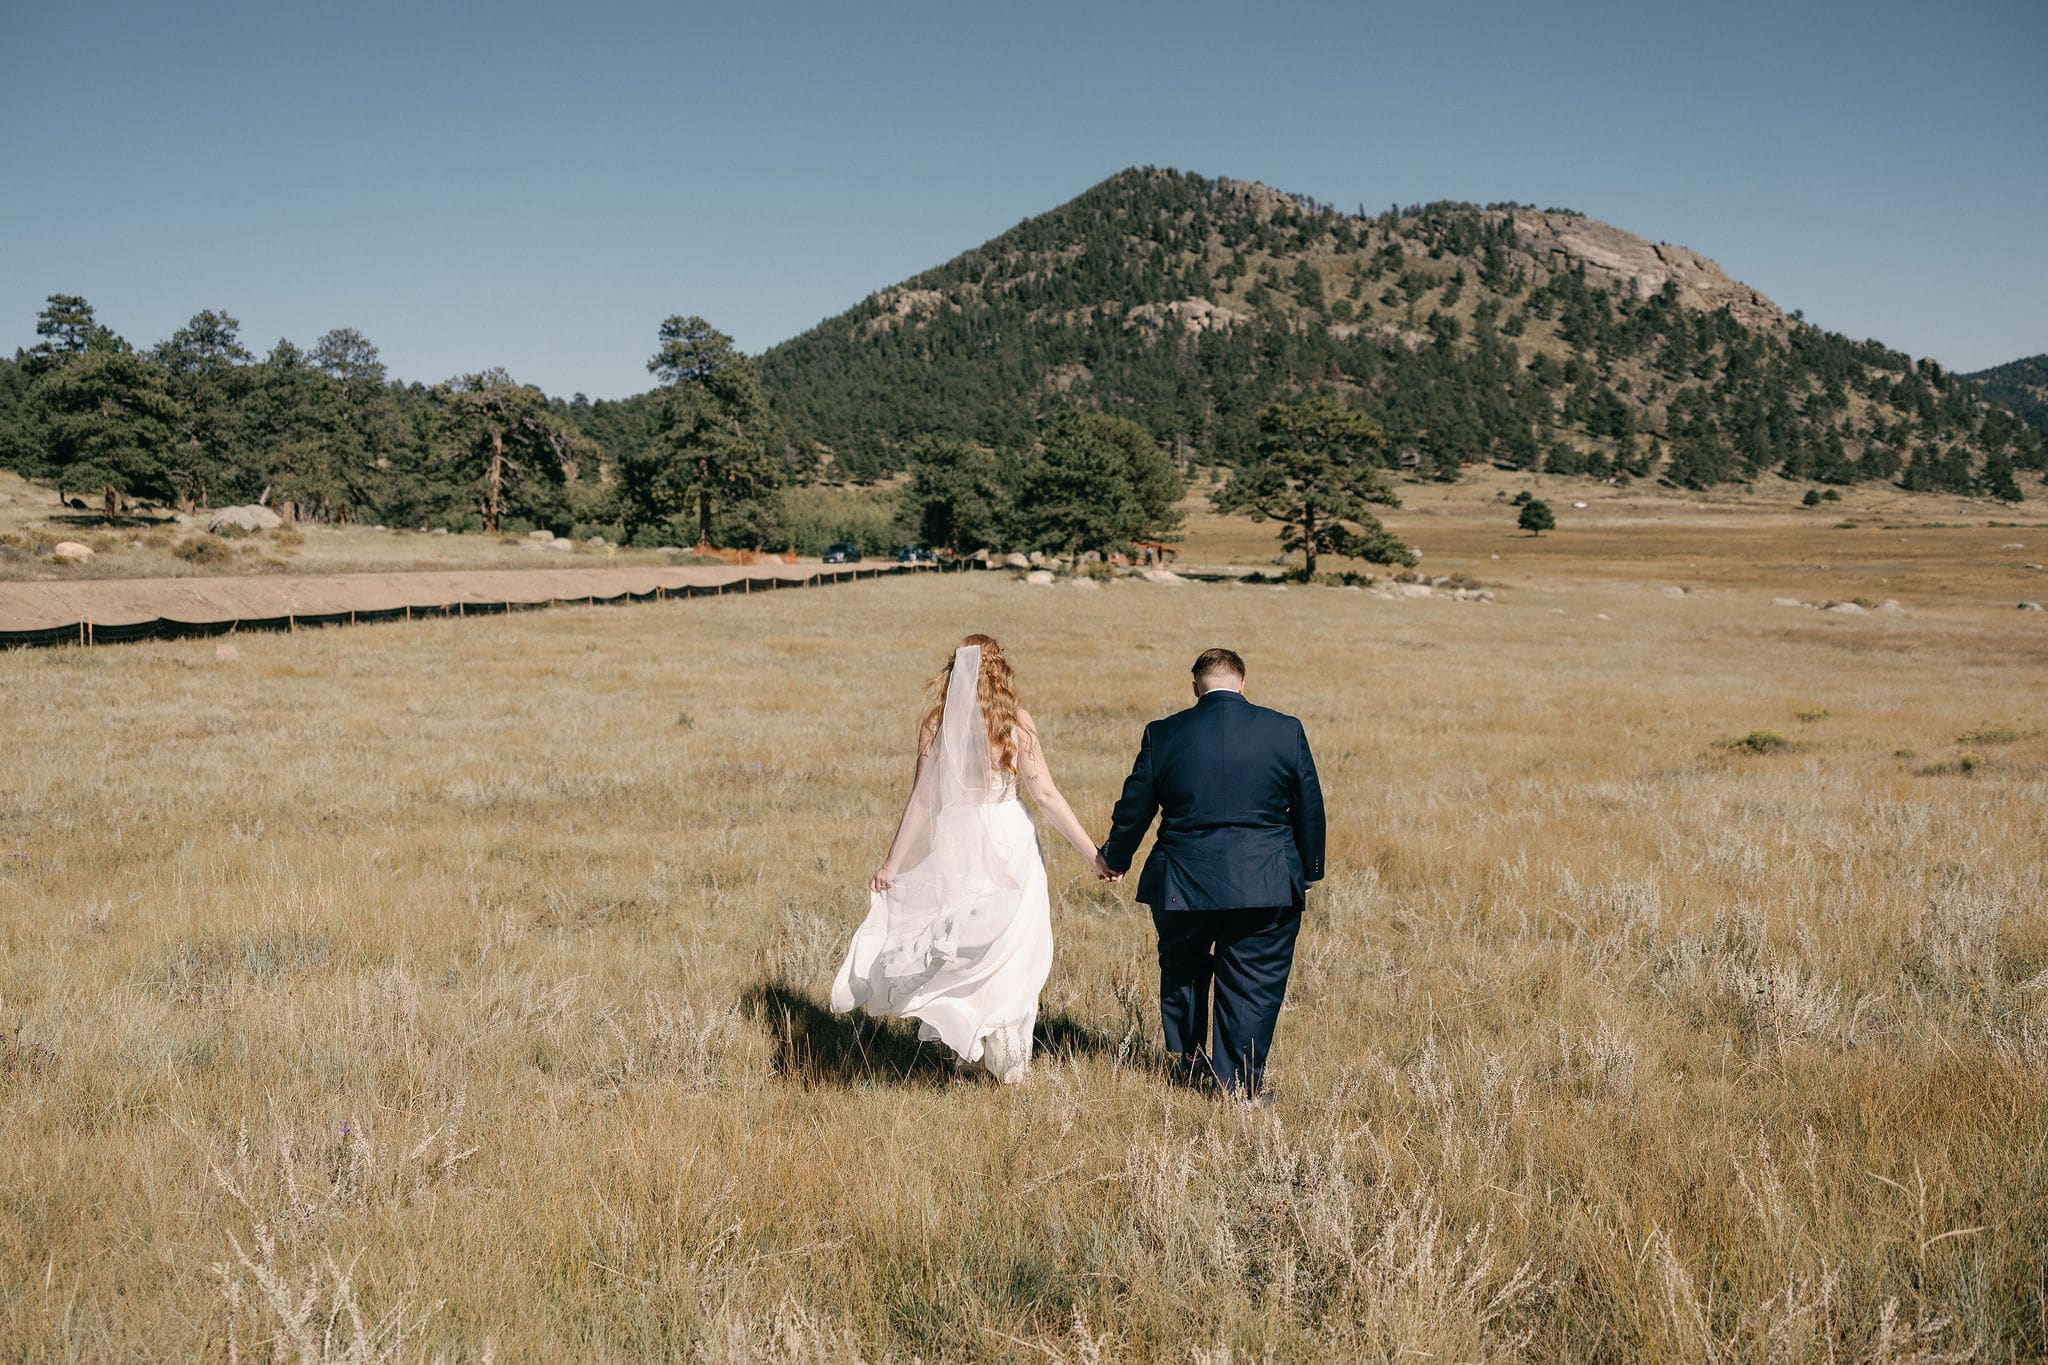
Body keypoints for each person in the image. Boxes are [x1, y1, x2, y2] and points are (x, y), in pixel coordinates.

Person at [831, 634, 1110, 1081]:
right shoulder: (1017, 722)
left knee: (967, 938)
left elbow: (922, 801)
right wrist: (1093, 854)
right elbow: (1046, 796)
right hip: (1010, 837)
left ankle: (969, 1045)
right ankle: (1006, 1057)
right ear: (1002, 673)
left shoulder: (936, 722)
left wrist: (892, 864)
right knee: (1014, 947)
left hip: (957, 842)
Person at [1098, 648, 1325, 1101]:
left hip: (1183, 881)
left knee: (1183, 967)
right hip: (1265, 880)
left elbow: (1135, 807)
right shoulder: (1285, 730)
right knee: (1253, 981)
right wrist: (1307, 871)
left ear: (1195, 688)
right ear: (1243, 683)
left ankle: (1192, 1056)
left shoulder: (1163, 734)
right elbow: (1310, 808)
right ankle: (1238, 1084)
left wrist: (1116, 857)